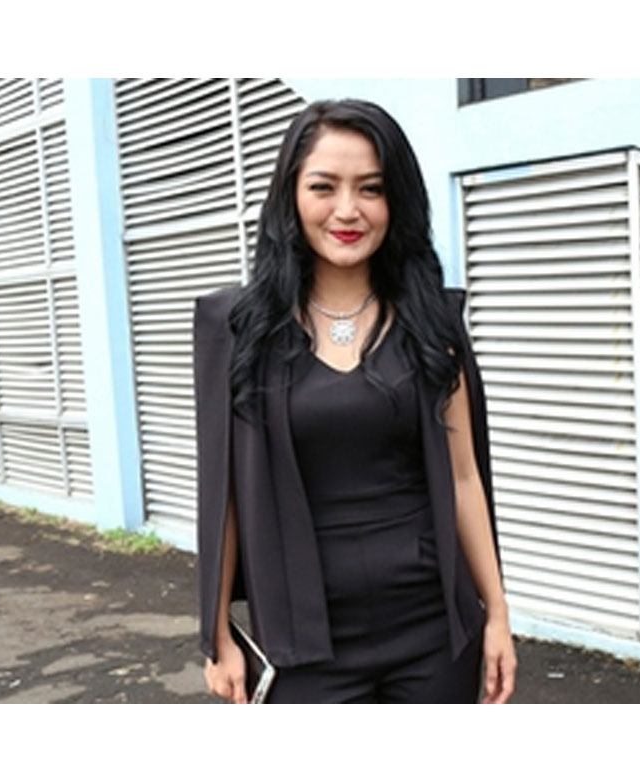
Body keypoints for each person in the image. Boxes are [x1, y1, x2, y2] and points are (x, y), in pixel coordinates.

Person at [194, 98, 516, 703]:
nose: (348, 210)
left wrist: (496, 613)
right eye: (324, 186)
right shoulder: (241, 328)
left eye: (371, 188)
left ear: (397, 201)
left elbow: (464, 476)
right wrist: (217, 636)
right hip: (302, 640)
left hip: (432, 634)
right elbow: (226, 491)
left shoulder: (431, 321)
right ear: (291, 196)